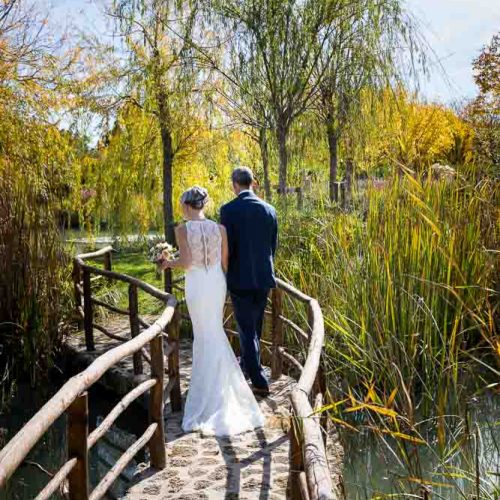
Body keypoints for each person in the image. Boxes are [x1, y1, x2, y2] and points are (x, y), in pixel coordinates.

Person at [160, 186, 265, 436]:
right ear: (203, 204)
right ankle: (222, 390)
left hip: (197, 285)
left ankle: (208, 394)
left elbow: (186, 263)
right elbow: (225, 261)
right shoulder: (220, 229)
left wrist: (167, 263)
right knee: (214, 332)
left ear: (187, 205)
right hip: (216, 282)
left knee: (204, 335)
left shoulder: (182, 229)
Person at [220, 167, 278, 396]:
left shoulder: (228, 210)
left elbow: (228, 247)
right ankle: (247, 364)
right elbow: (272, 246)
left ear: (235, 184)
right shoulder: (269, 209)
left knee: (246, 329)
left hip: (239, 278)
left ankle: (259, 381)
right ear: (253, 182)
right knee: (255, 326)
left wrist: (226, 271)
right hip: (264, 276)